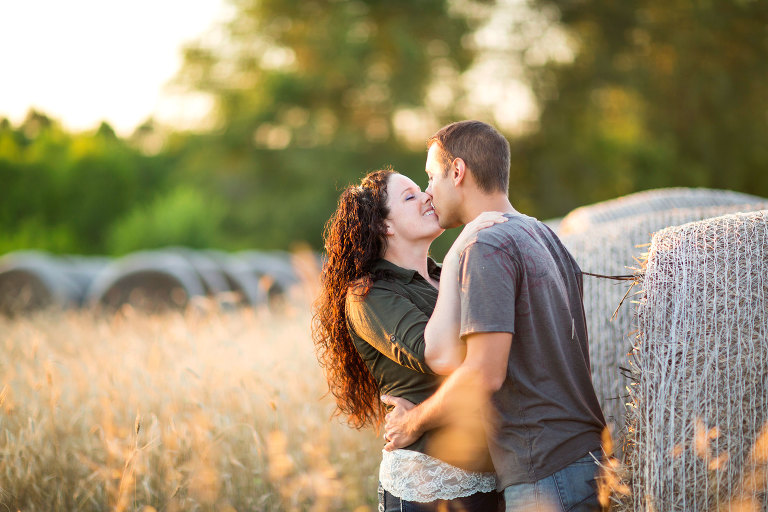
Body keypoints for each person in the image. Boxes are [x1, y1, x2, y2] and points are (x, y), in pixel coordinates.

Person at [381, 121, 607, 512]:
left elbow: (483, 373)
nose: (429, 193)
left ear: (458, 171)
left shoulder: (485, 245)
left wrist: (412, 423)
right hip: (587, 460)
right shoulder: (546, 237)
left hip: (544, 472)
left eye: (432, 177)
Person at [312, 168, 506, 511]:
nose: (427, 197)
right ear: (383, 225)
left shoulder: (445, 276)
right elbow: (439, 356)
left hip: (493, 474)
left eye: (422, 190)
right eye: (410, 196)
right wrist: (462, 244)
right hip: (429, 484)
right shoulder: (368, 295)